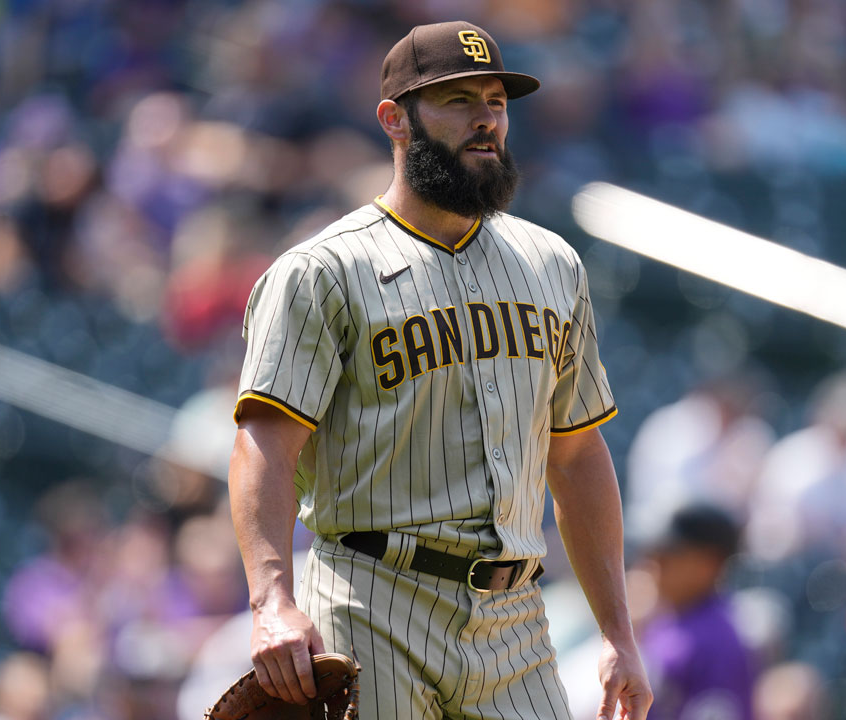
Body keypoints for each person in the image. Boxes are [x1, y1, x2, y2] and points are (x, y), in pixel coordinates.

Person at [228, 20, 651, 720]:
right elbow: (264, 442)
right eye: (457, 100)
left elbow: (575, 456)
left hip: (515, 619)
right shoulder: (321, 272)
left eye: (496, 100)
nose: (485, 119)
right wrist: (271, 601)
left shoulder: (553, 266)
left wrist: (618, 634)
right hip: (373, 600)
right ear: (395, 120)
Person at [637, 503, 753, 720]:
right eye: (652, 553)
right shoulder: (668, 620)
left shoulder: (717, 642)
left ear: (709, 563)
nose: (654, 563)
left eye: (667, 554)